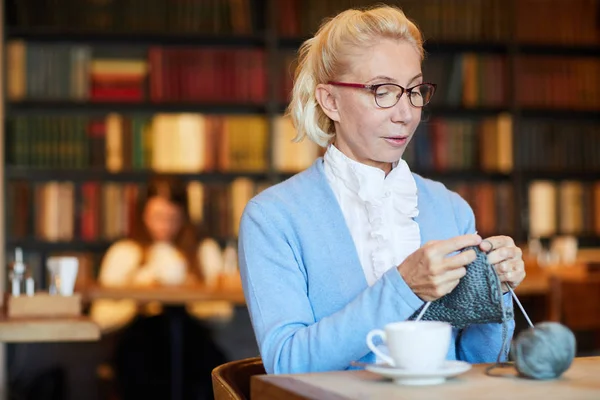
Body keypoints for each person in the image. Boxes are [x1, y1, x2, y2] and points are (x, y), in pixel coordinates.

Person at [238, 5, 526, 375]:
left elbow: (478, 366)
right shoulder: (273, 217)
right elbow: (286, 362)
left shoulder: (451, 208)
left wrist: (495, 291)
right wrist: (404, 286)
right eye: (383, 91)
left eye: (414, 91)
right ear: (331, 101)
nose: (405, 113)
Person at [90, 177, 228, 400]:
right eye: (157, 217)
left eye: (172, 218)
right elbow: (101, 319)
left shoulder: (203, 250)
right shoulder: (125, 251)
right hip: (141, 343)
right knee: (147, 352)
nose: (164, 226)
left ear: (184, 216)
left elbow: (223, 314)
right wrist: (136, 299)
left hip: (191, 342)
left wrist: (190, 295)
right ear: (143, 214)